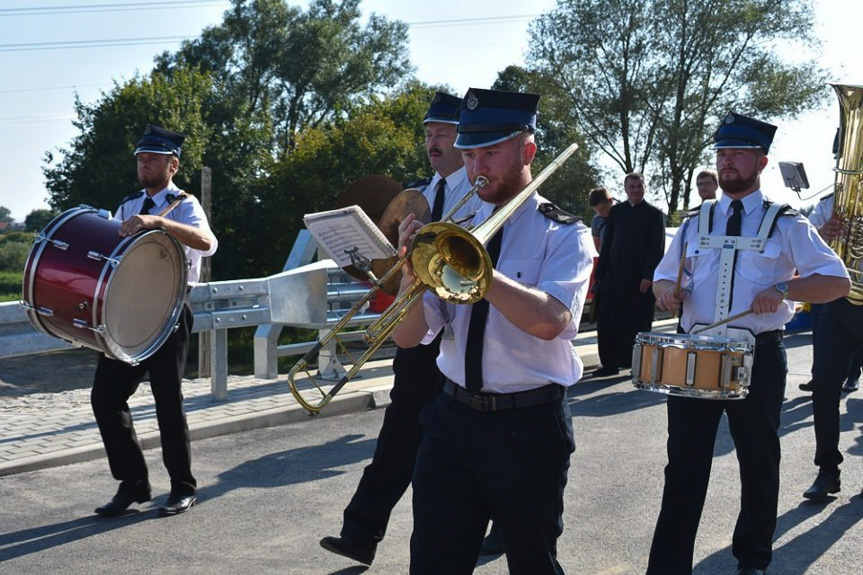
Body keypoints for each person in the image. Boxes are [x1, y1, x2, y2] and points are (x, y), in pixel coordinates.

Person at [392, 87, 595, 574]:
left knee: (533, 563)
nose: (477, 166)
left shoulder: (564, 233)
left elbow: (551, 321)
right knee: (433, 563)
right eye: (469, 154)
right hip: (450, 419)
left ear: (527, 151)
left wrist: (479, 270)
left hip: (528, 426)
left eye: (490, 152)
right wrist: (409, 276)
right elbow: (405, 338)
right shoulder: (451, 230)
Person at [646, 111, 849, 575]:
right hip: (695, 352)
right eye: (721, 154)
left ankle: (752, 559)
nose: (727, 162)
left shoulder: (785, 222)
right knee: (683, 467)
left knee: (759, 463)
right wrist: (666, 291)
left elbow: (835, 280)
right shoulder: (696, 221)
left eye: (737, 154)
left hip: (758, 356)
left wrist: (783, 290)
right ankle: (667, 566)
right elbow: (662, 276)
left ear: (760, 161)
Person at [320, 91, 485, 566]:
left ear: (464, 138)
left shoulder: (477, 191)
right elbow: (394, 268)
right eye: (429, 132)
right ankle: (361, 532)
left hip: (461, 333)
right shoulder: (416, 193)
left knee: (468, 442)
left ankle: (498, 522)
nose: (433, 141)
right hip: (418, 331)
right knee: (399, 433)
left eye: (443, 133)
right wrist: (366, 260)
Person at [91, 124, 218, 517]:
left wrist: (159, 223)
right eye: (141, 159)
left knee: (167, 402)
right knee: (106, 398)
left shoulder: (183, 204)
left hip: (168, 312)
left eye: (152, 159)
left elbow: (208, 243)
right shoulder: (129, 204)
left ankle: (182, 487)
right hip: (127, 313)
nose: (143, 163)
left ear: (172, 165)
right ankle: (133, 484)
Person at [801, 187, 863, 501]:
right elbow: (804, 251)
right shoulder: (832, 203)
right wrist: (823, 234)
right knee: (825, 387)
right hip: (838, 305)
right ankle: (828, 471)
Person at [592, 172, 665, 377]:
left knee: (637, 322)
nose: (635, 190)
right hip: (613, 275)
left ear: (644, 188)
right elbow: (607, 244)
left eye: (639, 186)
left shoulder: (654, 214)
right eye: (631, 187)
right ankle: (609, 364)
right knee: (609, 321)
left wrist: (648, 275)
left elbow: (656, 248)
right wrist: (600, 273)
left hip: (639, 279)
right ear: (625, 189)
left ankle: (639, 365)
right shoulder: (616, 212)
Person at [798, 192, 861, 396]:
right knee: (821, 333)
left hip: (859, 283)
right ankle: (820, 377)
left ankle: (852, 376)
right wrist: (823, 231)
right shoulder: (829, 203)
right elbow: (804, 235)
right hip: (829, 282)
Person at [588, 186, 615, 252]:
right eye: (597, 211)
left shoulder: (624, 213)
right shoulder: (596, 221)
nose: (601, 213)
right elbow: (598, 246)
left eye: (603, 209)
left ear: (610, 201)